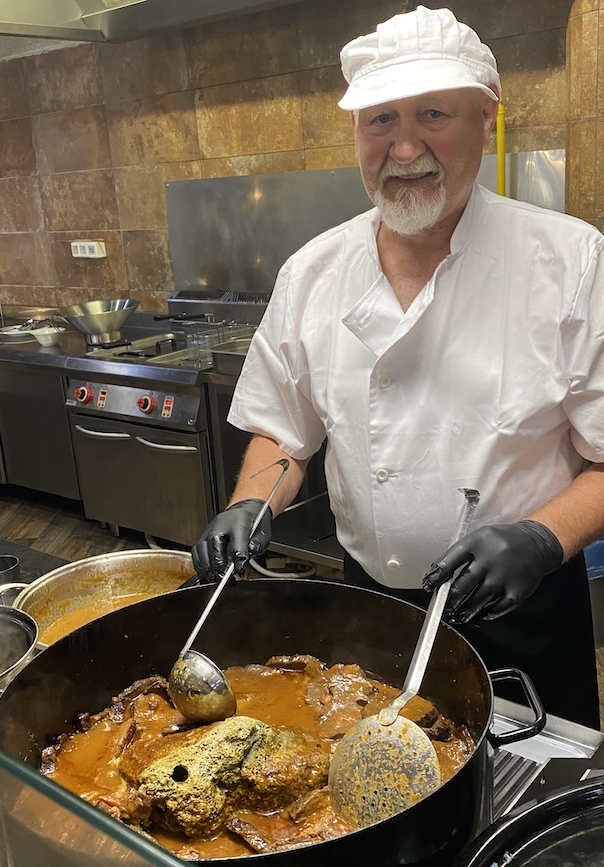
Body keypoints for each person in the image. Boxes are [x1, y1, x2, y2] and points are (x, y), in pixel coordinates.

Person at [192, 6, 604, 729]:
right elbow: (285, 432)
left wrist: (543, 538)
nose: (406, 147)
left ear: (486, 117)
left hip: (522, 615)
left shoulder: (571, 262)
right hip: (370, 610)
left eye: (434, 114)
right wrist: (251, 502)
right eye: (380, 119)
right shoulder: (313, 272)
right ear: (357, 129)